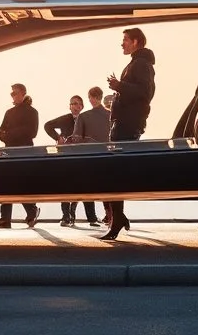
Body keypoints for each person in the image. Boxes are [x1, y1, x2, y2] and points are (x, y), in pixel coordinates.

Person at [99, 28, 154, 241]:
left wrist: (119, 86)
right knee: (115, 174)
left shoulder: (141, 64)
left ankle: (118, 219)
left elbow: (144, 92)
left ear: (136, 41)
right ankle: (118, 218)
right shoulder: (136, 63)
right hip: (123, 124)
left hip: (127, 126)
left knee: (115, 173)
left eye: (125, 40)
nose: (122, 44)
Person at [0, 84, 39, 229]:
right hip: (8, 150)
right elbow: (1, 130)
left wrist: (9, 134)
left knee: (20, 183)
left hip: (24, 152)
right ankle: (5, 220)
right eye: (11, 93)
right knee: (6, 183)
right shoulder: (9, 112)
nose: (12, 95)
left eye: (15, 93)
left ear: (23, 93)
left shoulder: (32, 112)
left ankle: (32, 210)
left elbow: (32, 132)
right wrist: (3, 136)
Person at [65, 87, 112, 227]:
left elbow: (77, 139)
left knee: (86, 187)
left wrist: (68, 140)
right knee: (108, 189)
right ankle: (111, 216)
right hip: (108, 156)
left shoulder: (83, 116)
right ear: (101, 96)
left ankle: (70, 214)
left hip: (90, 157)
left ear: (90, 97)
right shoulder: (111, 115)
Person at [44, 95, 91, 227]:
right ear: (70, 106)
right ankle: (65, 215)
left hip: (80, 155)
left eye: (77, 104)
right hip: (65, 155)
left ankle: (72, 212)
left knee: (78, 185)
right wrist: (58, 137)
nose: (75, 106)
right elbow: (47, 125)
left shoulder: (86, 119)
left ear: (82, 106)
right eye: (73, 104)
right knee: (65, 185)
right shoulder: (65, 119)